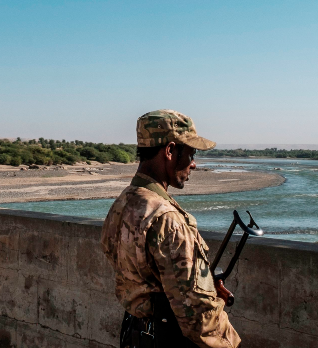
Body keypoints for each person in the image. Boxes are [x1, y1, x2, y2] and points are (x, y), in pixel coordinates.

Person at [101, 110, 240, 348]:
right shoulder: (167, 219)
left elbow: (145, 278)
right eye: (190, 153)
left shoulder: (123, 203)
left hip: (136, 335)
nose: (193, 164)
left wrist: (207, 285)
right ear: (169, 151)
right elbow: (197, 317)